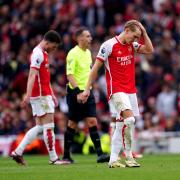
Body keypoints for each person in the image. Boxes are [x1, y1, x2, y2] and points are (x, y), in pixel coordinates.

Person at [81, 20, 154, 168]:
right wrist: (87, 89)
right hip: (116, 90)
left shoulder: (131, 45)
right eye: (134, 36)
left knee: (121, 125)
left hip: (131, 91)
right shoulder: (108, 46)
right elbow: (95, 69)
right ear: (126, 30)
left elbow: (149, 49)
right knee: (130, 121)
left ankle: (113, 160)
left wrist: (144, 33)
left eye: (137, 38)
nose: (135, 40)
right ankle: (128, 157)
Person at [10, 30, 67, 165]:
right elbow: (32, 75)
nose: (54, 49)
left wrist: (52, 93)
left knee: (40, 127)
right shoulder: (38, 54)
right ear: (47, 42)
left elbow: (44, 78)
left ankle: (17, 152)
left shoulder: (43, 53)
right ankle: (54, 158)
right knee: (49, 126)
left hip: (44, 93)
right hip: (40, 95)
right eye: (53, 46)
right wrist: (28, 95)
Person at [61, 27, 109, 164]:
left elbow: (88, 73)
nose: (90, 38)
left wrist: (87, 90)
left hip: (88, 91)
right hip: (75, 93)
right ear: (80, 38)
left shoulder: (88, 53)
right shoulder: (72, 54)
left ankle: (100, 154)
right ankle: (66, 155)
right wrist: (77, 92)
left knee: (92, 121)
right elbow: (69, 75)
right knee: (72, 124)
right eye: (87, 36)